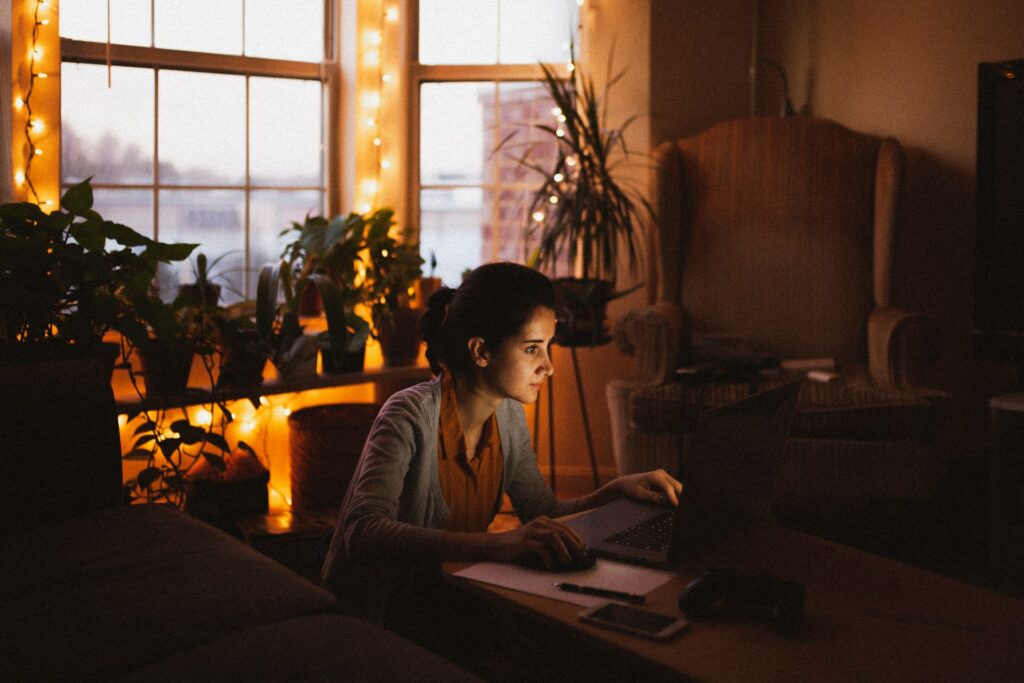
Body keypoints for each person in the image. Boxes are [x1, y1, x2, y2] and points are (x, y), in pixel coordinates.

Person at [321, 262, 681, 637]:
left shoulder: (507, 415)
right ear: (480, 350)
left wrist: (615, 491)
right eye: (531, 349)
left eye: (547, 348)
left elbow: (543, 513)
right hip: (378, 617)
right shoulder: (407, 414)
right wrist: (496, 545)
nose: (548, 367)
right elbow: (362, 532)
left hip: (441, 599)